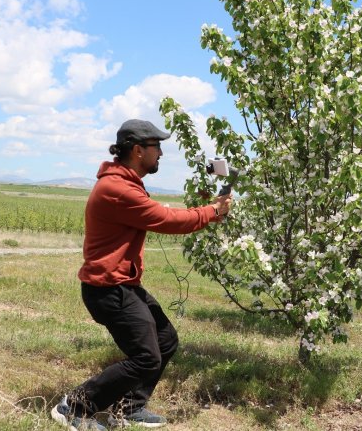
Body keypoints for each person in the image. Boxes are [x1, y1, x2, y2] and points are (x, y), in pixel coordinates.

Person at [51, 119, 232, 430]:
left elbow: (160, 212)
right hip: (108, 288)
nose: (160, 153)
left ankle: (129, 407)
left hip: (123, 284)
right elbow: (165, 219)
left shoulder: (125, 183)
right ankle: (75, 406)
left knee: (166, 341)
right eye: (156, 146)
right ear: (138, 150)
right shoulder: (117, 189)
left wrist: (206, 209)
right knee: (146, 357)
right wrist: (213, 212)